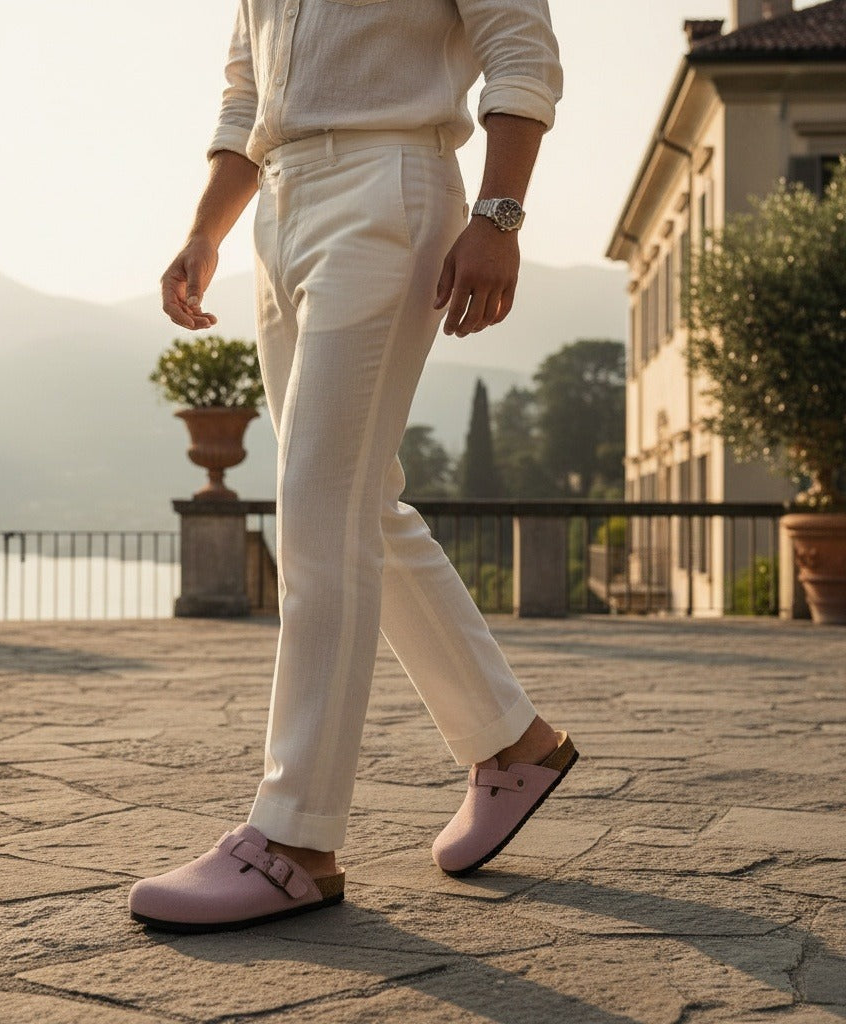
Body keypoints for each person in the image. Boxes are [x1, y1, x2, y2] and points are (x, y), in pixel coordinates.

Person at [129, 0, 577, 934]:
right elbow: (245, 95)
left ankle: (295, 838)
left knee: (319, 512)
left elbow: (520, 48)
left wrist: (498, 215)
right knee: (356, 504)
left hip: (390, 183)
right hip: (279, 208)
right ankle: (513, 743)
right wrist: (208, 231)